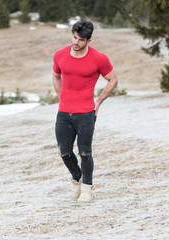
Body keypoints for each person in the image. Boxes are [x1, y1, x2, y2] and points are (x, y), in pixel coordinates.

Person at [52, 19, 118, 202]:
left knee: (84, 153)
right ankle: (77, 178)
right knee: (64, 152)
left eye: (81, 40)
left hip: (86, 113)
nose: (76, 42)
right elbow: (56, 76)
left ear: (89, 40)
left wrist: (99, 102)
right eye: (74, 37)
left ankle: (87, 189)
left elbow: (113, 79)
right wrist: (61, 96)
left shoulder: (99, 58)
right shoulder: (60, 55)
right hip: (64, 112)